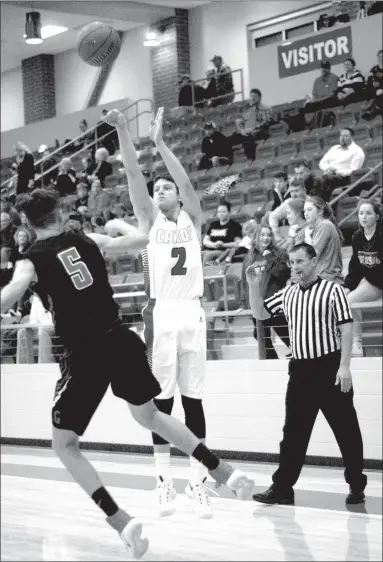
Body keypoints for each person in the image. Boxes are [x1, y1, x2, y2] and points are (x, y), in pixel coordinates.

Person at [0, 187, 254, 558]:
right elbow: (142, 238)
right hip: (120, 338)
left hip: (84, 353)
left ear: (26, 222)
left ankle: (121, 521)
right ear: (59, 213)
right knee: (150, 415)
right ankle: (225, 472)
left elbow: (12, 293)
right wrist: (120, 221)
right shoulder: (88, 238)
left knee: (65, 445)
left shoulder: (30, 259)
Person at [104, 107, 253, 520]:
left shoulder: (194, 218)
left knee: (195, 400)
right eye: (159, 189)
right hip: (161, 315)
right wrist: (122, 131)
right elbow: (134, 175)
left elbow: (187, 181)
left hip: (192, 313)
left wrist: (161, 143)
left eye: (167, 187)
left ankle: (197, 485)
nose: (162, 190)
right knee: (162, 404)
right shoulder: (150, 221)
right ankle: (163, 484)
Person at [249, 242, 367, 506]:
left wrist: (345, 366)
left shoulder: (333, 290)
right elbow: (259, 312)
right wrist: (254, 285)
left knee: (346, 430)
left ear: (314, 262)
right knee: (293, 434)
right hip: (300, 371)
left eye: (300, 261)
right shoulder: (288, 293)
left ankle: (356, 485)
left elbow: (346, 329)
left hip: (330, 368)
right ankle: (282, 488)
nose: (295, 267)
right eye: (291, 262)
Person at [238, 224, 291, 359]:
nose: (265, 238)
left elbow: (282, 275)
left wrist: (269, 258)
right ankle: (273, 361)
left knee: (286, 333)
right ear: (256, 237)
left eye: (268, 235)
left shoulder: (280, 253)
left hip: (275, 304)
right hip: (257, 304)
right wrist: (244, 304)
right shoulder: (249, 257)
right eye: (262, 235)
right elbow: (244, 282)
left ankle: (302, 355)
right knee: (259, 334)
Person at [343, 200, 383, 357]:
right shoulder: (357, 237)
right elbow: (356, 266)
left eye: (368, 213)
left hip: (378, 281)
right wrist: (348, 285)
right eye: (361, 213)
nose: (364, 217)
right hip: (372, 283)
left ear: (377, 216)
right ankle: (357, 343)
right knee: (348, 300)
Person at [296, 196, 344, 284]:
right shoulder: (314, 228)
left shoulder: (325, 225)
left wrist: (307, 237)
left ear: (320, 211)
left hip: (328, 279)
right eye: (305, 211)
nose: (306, 213)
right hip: (320, 278)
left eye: (309, 210)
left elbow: (312, 255)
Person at [318, 128, 365, 200]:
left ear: (352, 137)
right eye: (341, 136)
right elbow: (322, 162)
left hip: (344, 178)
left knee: (326, 179)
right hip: (329, 174)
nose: (342, 138)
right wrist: (328, 168)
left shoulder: (357, 151)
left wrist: (336, 171)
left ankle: (322, 203)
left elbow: (354, 171)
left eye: (346, 136)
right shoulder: (334, 148)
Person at [202, 201, 242, 266]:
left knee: (209, 255)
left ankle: (203, 274)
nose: (221, 214)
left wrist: (223, 245)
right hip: (210, 249)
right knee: (196, 254)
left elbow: (238, 243)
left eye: (223, 212)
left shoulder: (235, 225)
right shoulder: (213, 224)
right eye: (219, 212)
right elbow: (205, 241)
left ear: (229, 212)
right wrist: (214, 245)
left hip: (224, 251)